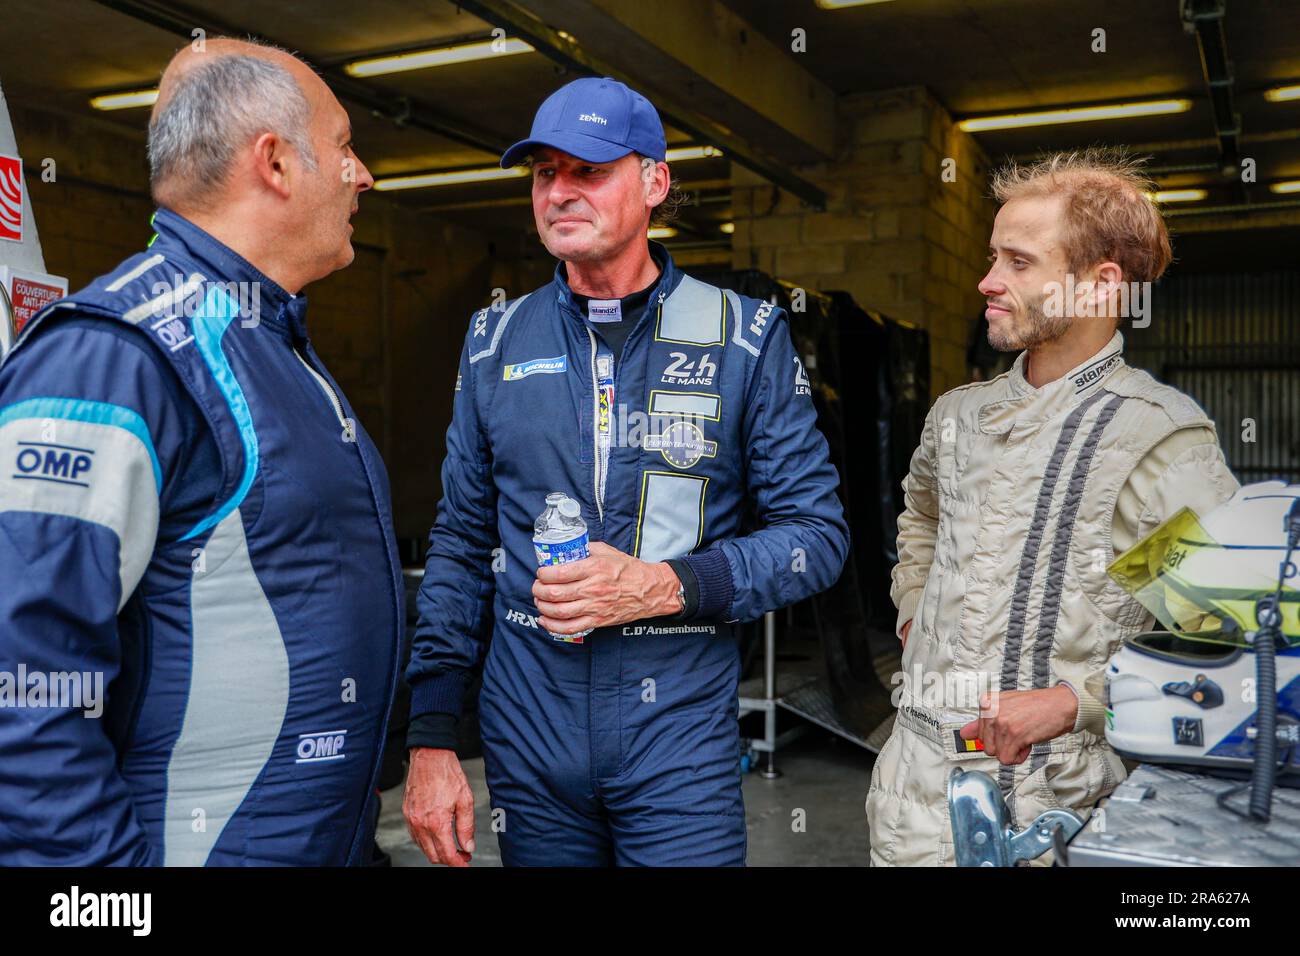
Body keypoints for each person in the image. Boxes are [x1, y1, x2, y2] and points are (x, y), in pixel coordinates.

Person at [403, 76, 849, 867]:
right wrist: (433, 737)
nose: (561, 193)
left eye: (590, 170)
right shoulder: (493, 339)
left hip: (676, 741)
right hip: (528, 741)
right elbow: (461, 543)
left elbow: (816, 538)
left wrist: (666, 584)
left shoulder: (743, 336)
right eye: (546, 173)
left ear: (654, 182)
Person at [0, 38, 403, 865]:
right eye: (343, 147)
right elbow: (22, 692)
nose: (363, 175)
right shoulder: (115, 356)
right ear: (277, 163)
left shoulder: (274, 341)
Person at [866, 149, 1239, 866]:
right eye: (990, 257)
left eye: (1018, 262)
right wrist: (914, 609)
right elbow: (922, 517)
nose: (987, 282)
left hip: (1051, 808)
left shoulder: (1155, 437)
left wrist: (1076, 702)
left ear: (1099, 285)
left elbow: (1220, 641)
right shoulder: (958, 415)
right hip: (909, 797)